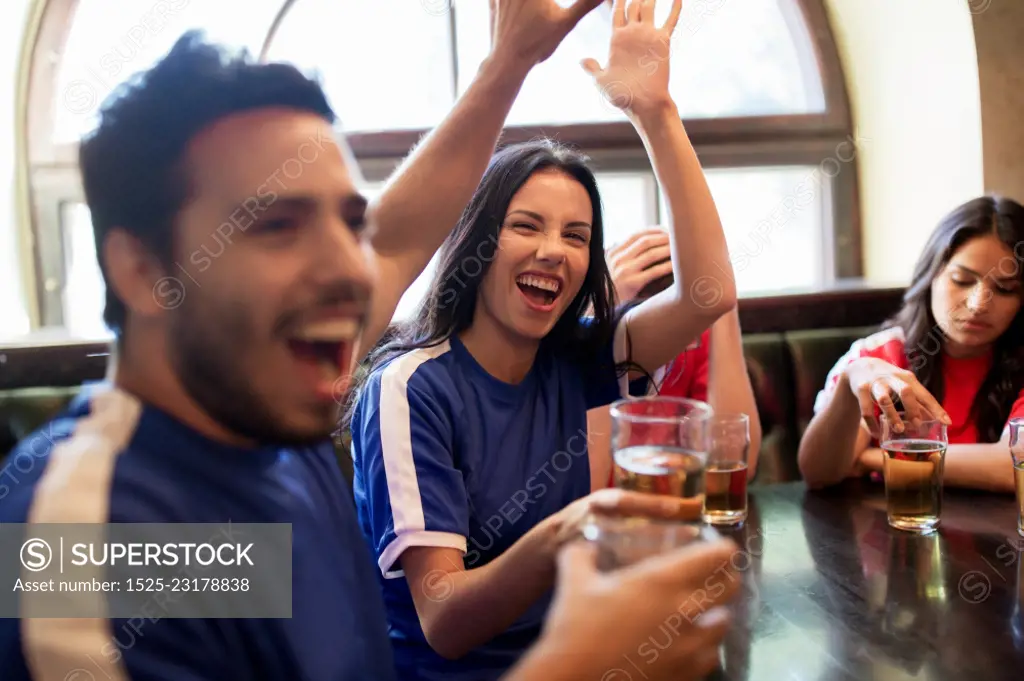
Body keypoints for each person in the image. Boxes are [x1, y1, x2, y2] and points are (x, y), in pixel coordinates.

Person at [0, 2, 740, 681]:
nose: (348, 270)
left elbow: (397, 241)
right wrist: (575, 663)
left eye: (348, 223)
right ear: (142, 267)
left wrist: (511, 63)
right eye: (277, 226)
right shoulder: (87, 541)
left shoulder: (265, 417)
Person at [347, 1, 738, 679]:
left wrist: (655, 112)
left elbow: (708, 294)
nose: (554, 251)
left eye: (577, 236)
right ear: (476, 241)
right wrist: (569, 528)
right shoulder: (410, 386)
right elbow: (444, 620)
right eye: (527, 225)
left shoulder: (584, 357)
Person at [798, 195, 1024, 493]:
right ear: (930, 276)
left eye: (1005, 289)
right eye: (962, 280)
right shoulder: (877, 357)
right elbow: (820, 473)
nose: (978, 303)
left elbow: (1013, 467)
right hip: (885, 533)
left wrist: (876, 458)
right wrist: (849, 383)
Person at [586, 227, 763, 489]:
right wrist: (599, 318)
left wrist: (721, 303)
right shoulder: (584, 343)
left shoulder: (694, 343)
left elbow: (730, 467)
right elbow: (584, 490)